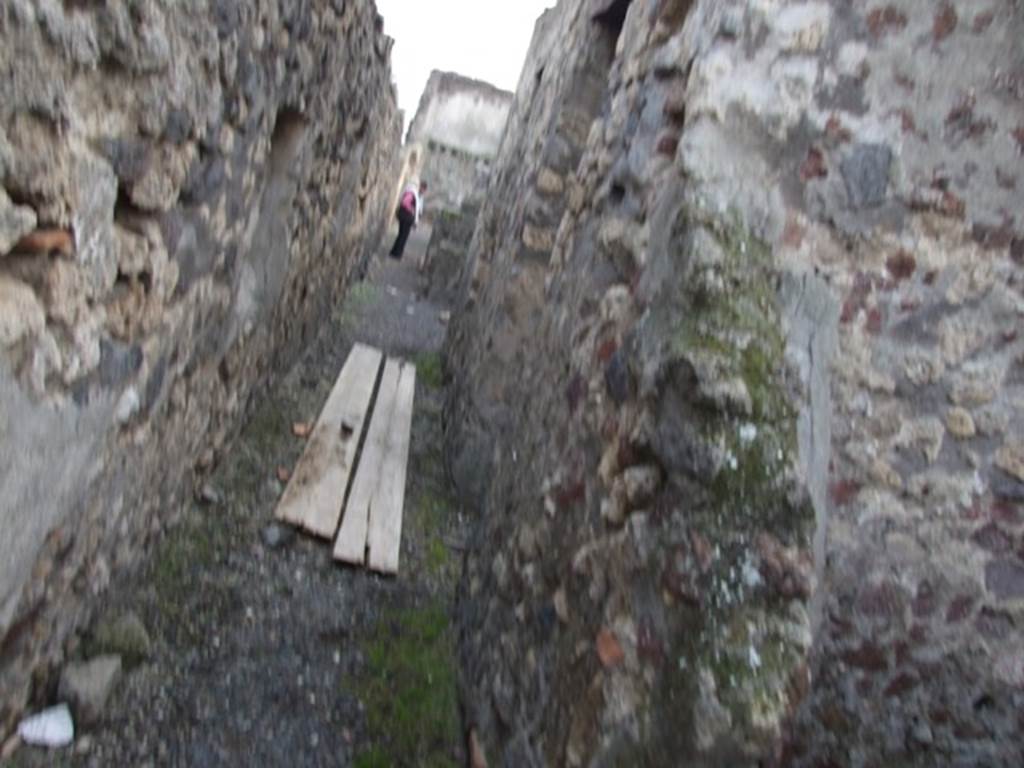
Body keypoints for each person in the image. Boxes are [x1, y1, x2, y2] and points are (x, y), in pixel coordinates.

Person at [389, 179, 427, 260]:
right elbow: (405, 202)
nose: (423, 190)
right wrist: (412, 210)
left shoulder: (415, 193)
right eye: (422, 188)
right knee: (403, 236)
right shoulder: (412, 192)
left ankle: (395, 252)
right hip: (406, 217)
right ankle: (397, 254)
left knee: (401, 235)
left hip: (406, 217)